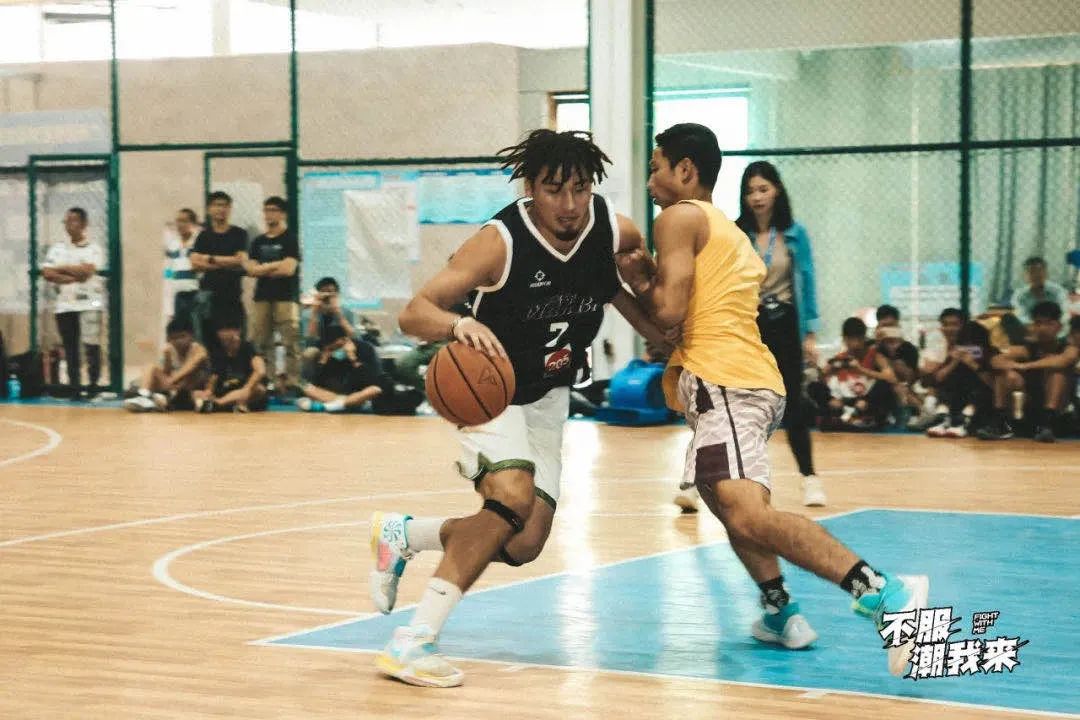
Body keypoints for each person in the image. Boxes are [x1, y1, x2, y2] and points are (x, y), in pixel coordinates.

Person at [617, 122, 928, 677]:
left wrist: (615, 284)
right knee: (723, 501)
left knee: (745, 512)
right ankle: (779, 610)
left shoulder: (679, 217)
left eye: (655, 167)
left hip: (727, 382)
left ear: (685, 170)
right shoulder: (724, 230)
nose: (649, 181)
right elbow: (673, 325)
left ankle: (885, 592)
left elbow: (666, 316)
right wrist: (633, 285)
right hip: (737, 381)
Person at [366, 129, 669, 688]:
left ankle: (406, 534)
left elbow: (631, 297)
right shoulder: (499, 242)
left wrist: (669, 328)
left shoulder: (613, 230)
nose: (570, 204)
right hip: (488, 389)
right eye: (554, 190)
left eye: (580, 189)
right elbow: (414, 313)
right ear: (530, 188)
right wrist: (459, 323)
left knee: (524, 542)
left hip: (549, 396)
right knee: (510, 500)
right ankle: (414, 640)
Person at [678, 160, 824, 507]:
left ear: (777, 191)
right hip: (745, 324)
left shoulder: (795, 234)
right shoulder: (734, 231)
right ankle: (694, 485)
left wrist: (810, 333)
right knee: (722, 403)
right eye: (750, 191)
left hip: (784, 325)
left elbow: (807, 283)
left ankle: (810, 478)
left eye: (763, 189)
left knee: (793, 402)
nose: (757, 197)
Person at [979, 301, 1078, 442]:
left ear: (1059, 326)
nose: (1042, 328)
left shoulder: (1068, 347)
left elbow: (1063, 361)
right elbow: (996, 361)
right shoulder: (1027, 348)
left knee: (1057, 374)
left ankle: (1047, 424)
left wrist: (1026, 366)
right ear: (1032, 326)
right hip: (1031, 408)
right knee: (1005, 374)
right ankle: (1000, 422)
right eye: (1038, 323)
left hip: (1060, 414)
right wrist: (1012, 367)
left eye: (1048, 323)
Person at [40, 207, 105, 398]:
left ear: (84, 224)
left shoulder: (94, 248)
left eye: (74, 221)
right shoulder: (58, 248)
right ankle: (74, 386)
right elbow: (48, 273)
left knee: (91, 345)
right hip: (65, 304)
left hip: (89, 303)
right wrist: (72, 274)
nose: (69, 225)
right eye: (66, 221)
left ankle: (93, 385)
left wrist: (61, 269)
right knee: (70, 347)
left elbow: (87, 272)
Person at [245, 196, 301, 394]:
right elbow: (251, 270)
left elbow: (288, 269)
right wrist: (276, 265)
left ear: (282, 214)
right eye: (266, 210)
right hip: (262, 298)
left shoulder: (290, 239)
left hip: (286, 298)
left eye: (274, 210)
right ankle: (267, 381)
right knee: (261, 342)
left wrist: (263, 268)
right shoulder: (258, 241)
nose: (269, 214)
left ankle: (293, 382)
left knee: (290, 342)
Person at [189, 192, 248, 354]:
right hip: (208, 297)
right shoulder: (203, 236)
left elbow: (240, 260)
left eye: (224, 205)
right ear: (209, 209)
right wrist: (227, 263)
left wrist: (210, 259)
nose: (221, 209)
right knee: (207, 344)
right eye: (217, 205)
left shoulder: (239, 234)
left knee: (235, 344)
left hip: (232, 296)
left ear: (230, 209)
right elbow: (194, 264)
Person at [922, 308, 993, 438]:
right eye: (945, 324)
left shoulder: (979, 350)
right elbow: (937, 378)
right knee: (953, 374)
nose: (950, 329)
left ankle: (964, 420)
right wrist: (954, 360)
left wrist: (972, 363)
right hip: (952, 398)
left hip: (977, 400)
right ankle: (943, 418)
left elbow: (991, 383)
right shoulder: (940, 346)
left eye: (955, 324)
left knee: (968, 375)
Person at [816, 317, 896, 430]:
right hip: (845, 400)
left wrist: (861, 370)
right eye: (850, 340)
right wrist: (827, 372)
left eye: (858, 340)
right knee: (814, 386)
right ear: (844, 339)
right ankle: (844, 417)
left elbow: (891, 378)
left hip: (865, 401)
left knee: (884, 385)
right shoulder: (840, 358)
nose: (855, 344)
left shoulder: (875, 355)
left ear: (863, 338)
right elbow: (822, 379)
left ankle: (858, 417)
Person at [123, 317, 209, 412]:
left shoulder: (199, 350)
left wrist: (171, 381)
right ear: (169, 339)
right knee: (151, 367)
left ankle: (156, 399)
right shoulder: (169, 351)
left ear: (191, 336)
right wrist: (167, 365)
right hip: (173, 389)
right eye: (174, 338)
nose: (178, 341)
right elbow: (165, 374)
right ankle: (144, 396)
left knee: (189, 377)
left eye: (182, 336)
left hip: (191, 391)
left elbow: (190, 367)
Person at [297, 325, 383, 413]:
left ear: (346, 340)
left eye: (338, 346)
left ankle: (328, 406)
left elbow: (372, 381)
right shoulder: (330, 353)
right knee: (308, 389)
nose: (335, 350)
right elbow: (319, 384)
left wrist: (353, 358)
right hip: (339, 396)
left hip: (360, 394)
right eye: (331, 349)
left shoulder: (366, 349)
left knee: (373, 391)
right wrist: (323, 361)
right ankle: (342, 405)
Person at [194, 314, 268, 414]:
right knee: (196, 393)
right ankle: (232, 405)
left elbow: (260, 371)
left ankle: (217, 404)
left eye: (230, 329)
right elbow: (214, 376)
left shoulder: (248, 347)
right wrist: (208, 391)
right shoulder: (217, 352)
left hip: (248, 390)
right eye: (222, 330)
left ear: (238, 331)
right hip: (226, 391)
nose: (226, 334)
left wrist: (246, 389)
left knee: (259, 389)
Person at [163, 208, 201, 329]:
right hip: (177, 297)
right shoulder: (173, 246)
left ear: (193, 224)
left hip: (196, 295)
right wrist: (169, 304)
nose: (180, 224)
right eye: (178, 221)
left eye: (184, 221)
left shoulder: (199, 244)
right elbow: (168, 274)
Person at [1010, 256, 1069, 325]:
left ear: (1046, 273)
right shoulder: (1020, 295)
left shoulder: (1058, 291)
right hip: (1032, 327)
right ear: (1025, 275)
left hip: (1055, 327)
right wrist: (1038, 325)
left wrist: (1052, 324)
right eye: (1032, 271)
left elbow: (1065, 313)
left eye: (1039, 271)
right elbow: (1022, 316)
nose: (1036, 275)